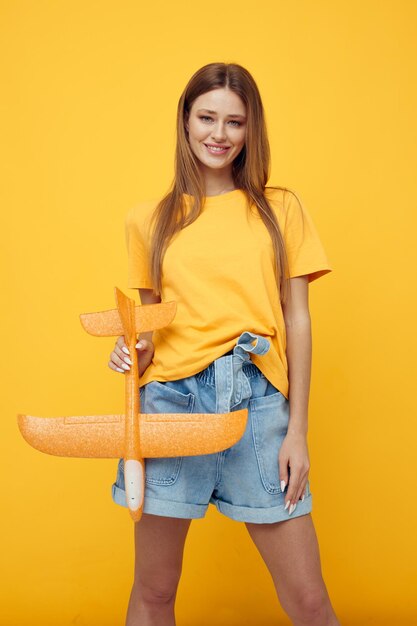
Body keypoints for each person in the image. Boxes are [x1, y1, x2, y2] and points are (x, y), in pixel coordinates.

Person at [108, 62, 340, 626]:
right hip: (170, 408)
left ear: (250, 129)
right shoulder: (151, 221)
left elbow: (298, 320)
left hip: (258, 407)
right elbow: (151, 330)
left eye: (234, 122)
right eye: (206, 117)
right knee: (154, 592)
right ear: (185, 123)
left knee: (309, 602)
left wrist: (298, 431)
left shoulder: (280, 209)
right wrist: (131, 353)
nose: (219, 134)